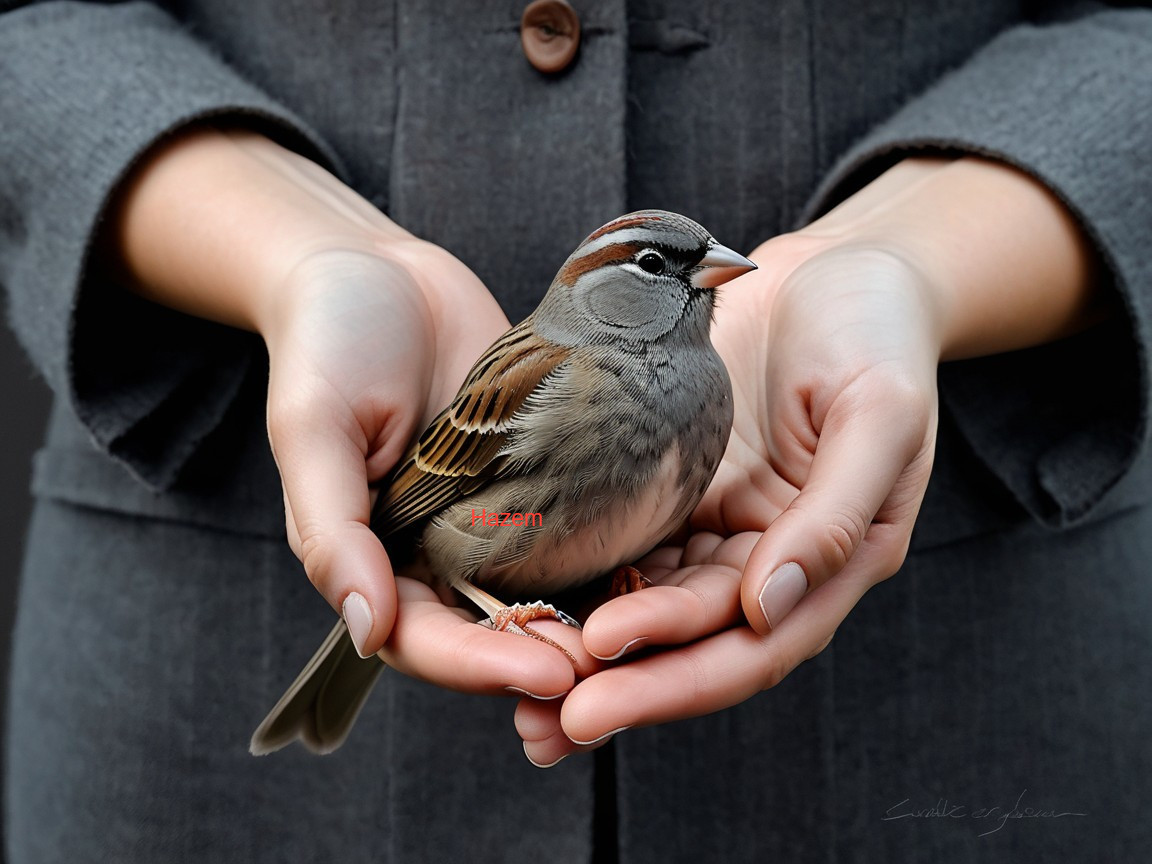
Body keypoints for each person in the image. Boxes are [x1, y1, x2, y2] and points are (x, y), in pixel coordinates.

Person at [2, 1, 1150, 861]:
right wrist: (295, 257)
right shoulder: (546, 377)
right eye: (668, 267)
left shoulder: (711, 386)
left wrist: (910, 260)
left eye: (702, 260)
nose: (717, 272)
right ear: (605, 294)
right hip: (189, 679)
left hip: (969, 677)